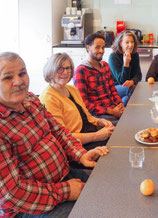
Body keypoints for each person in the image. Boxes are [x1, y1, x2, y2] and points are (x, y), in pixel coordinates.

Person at [0, 52, 109, 217]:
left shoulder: (31, 100)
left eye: (22, 73)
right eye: (8, 77)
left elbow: (59, 132)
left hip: (64, 177)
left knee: (110, 189)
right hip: (30, 206)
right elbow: (13, 193)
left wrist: (80, 154)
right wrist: (65, 191)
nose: (19, 81)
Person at [40, 53, 115, 151]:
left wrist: (100, 121)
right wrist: (98, 135)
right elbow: (63, 137)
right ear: (51, 71)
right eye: (60, 69)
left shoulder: (72, 89)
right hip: (77, 146)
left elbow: (86, 117)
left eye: (68, 68)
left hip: (91, 132)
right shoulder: (48, 98)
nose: (65, 72)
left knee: (121, 132)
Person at [74, 32, 125, 125]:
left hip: (113, 109)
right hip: (98, 115)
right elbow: (84, 103)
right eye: (97, 47)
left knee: (131, 118)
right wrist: (111, 111)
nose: (101, 51)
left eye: (103, 47)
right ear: (88, 48)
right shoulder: (81, 71)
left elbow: (113, 89)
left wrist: (120, 104)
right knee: (123, 126)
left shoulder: (105, 65)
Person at [109, 30, 142, 106]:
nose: (130, 45)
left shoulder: (135, 55)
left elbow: (138, 75)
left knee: (126, 100)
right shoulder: (113, 57)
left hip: (129, 87)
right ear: (121, 44)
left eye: (132, 42)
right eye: (127, 42)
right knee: (131, 89)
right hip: (115, 88)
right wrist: (126, 63)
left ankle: (122, 117)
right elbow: (121, 81)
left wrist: (132, 81)